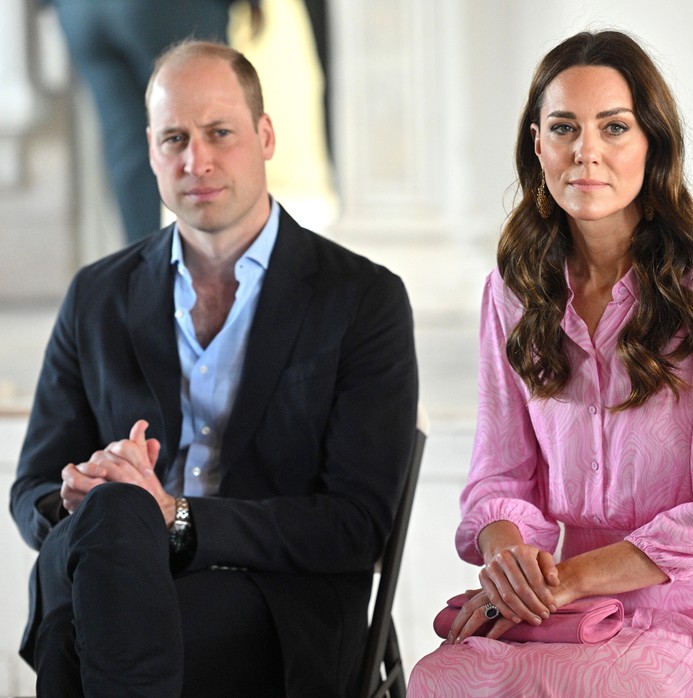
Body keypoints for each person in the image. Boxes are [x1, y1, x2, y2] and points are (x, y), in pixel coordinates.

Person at [10, 40, 418, 696]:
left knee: (79, 635)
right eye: (174, 138)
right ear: (149, 150)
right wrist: (77, 491)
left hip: (274, 600)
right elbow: (31, 487)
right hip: (112, 573)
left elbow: (357, 524)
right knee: (112, 514)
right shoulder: (97, 295)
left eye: (218, 133)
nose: (195, 160)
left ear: (264, 135)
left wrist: (172, 515)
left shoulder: (360, 298)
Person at [408, 30, 693, 696]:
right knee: (443, 681)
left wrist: (565, 579)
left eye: (613, 127)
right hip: (564, 614)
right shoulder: (514, 290)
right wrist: (509, 562)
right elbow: (499, 473)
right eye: (563, 128)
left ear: (652, 143)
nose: (585, 152)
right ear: (537, 146)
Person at [47, 0, 262, 243]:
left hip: (79, 12)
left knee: (127, 151)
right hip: (161, 9)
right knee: (213, 132)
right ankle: (230, 274)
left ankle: (144, 272)